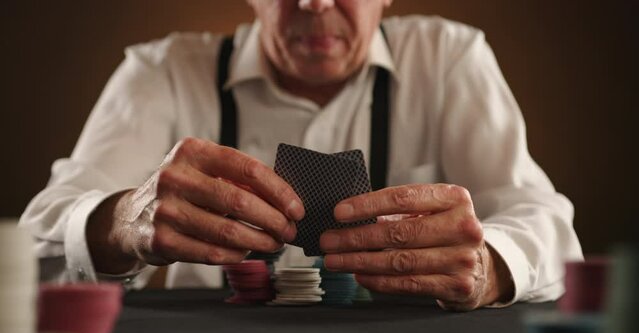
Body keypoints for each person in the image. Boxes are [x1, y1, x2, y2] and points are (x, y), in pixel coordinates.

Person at [20, 0, 583, 311]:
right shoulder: (160, 71)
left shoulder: (450, 57)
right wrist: (120, 222)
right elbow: (31, 250)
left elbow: (550, 226)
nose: (314, 4)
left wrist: (488, 265)